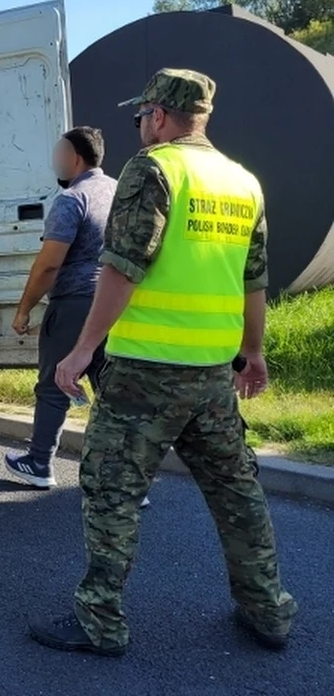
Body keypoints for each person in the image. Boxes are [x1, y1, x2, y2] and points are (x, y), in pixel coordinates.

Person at [27, 68, 297, 656]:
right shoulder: (242, 181)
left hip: (145, 372)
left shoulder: (153, 169)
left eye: (140, 118)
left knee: (110, 492)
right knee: (236, 492)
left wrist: (82, 348)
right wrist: (253, 352)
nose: (140, 128)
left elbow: (124, 265)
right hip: (211, 374)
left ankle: (100, 621)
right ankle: (268, 609)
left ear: (157, 114)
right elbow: (256, 279)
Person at [5, 127, 116, 490]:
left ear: (74, 158)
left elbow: (50, 264)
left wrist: (24, 309)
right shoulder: (119, 192)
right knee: (111, 388)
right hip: (117, 303)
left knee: (56, 382)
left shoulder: (72, 199)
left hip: (75, 304)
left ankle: (39, 463)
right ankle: (125, 477)